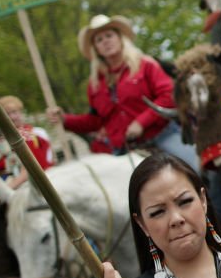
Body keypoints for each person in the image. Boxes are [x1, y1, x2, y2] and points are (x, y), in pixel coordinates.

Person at [47, 15, 197, 168]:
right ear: (96, 49)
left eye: (109, 35)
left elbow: (168, 95)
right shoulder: (95, 84)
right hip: (124, 150)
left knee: (195, 166)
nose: (105, 41)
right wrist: (65, 120)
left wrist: (141, 122)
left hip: (161, 136)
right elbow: (96, 121)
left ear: (120, 38)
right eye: (99, 39)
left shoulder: (145, 65)